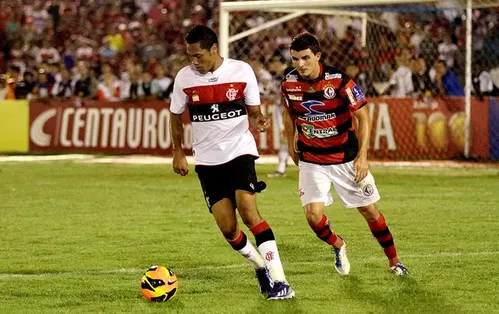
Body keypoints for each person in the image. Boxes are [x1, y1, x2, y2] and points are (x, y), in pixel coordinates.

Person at [170, 25, 295, 300]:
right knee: (228, 229)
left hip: (239, 151)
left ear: (214, 49)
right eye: (190, 56)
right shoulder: (184, 78)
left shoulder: (241, 71)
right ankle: (260, 266)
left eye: (198, 55)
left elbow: (254, 111)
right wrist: (178, 151)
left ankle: (281, 281)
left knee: (250, 213)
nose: (194, 61)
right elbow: (175, 115)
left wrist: (259, 119)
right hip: (206, 160)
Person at [281, 32, 408, 276]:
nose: (300, 64)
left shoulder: (339, 81)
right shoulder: (288, 83)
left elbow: (363, 114)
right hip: (311, 159)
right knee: (313, 216)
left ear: (318, 56)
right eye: (295, 59)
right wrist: (290, 143)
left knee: (369, 210)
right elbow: (288, 113)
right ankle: (338, 245)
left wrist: (362, 156)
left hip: (345, 158)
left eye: (305, 58)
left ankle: (394, 261)